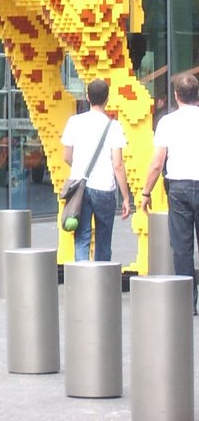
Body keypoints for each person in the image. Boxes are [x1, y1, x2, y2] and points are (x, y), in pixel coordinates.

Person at [141, 71, 199, 314]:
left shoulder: (167, 122)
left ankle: (187, 300)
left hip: (179, 188)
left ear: (176, 96)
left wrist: (146, 192)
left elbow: (157, 163)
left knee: (182, 246)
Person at [61, 78, 131, 261]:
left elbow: (66, 156)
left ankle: (83, 283)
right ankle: (102, 284)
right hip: (104, 189)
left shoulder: (74, 122)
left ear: (87, 97)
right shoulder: (113, 126)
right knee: (103, 240)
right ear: (107, 98)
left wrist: (79, 169)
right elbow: (118, 164)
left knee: (82, 238)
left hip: (79, 189)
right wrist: (125, 197)